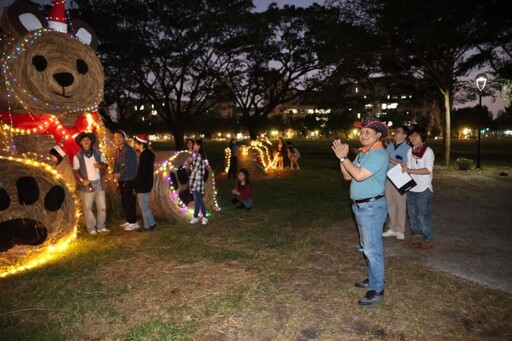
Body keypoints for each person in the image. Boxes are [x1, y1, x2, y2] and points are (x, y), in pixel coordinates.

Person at [331, 115, 389, 306]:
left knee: (373, 250)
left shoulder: (378, 154)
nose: (363, 135)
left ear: (378, 135)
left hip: (371, 207)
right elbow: (348, 176)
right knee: (367, 246)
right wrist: (343, 159)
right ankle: (372, 279)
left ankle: (377, 289)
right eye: (361, 131)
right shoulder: (364, 153)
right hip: (361, 206)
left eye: (368, 132)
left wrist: (343, 157)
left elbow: (359, 175)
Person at [402, 125, 435, 250]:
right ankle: (416, 236)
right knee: (412, 214)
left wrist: (409, 169)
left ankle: (427, 239)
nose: (412, 138)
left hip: (423, 189)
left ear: (422, 136)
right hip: (411, 188)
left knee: (423, 215)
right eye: (411, 136)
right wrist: (404, 168)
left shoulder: (428, 151)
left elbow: (428, 170)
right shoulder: (410, 151)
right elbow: (409, 168)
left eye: (415, 135)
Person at [72, 132, 109, 235]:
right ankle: (91, 228)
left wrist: (101, 165)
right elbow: (75, 171)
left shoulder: (98, 153)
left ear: (91, 141)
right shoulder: (77, 156)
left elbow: (106, 166)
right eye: (84, 140)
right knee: (88, 207)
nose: (86, 141)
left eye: (88, 139)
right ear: (80, 142)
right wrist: (82, 180)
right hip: (87, 185)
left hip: (99, 183)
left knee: (102, 206)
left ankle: (101, 226)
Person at [382, 126, 411, 240]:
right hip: (388, 179)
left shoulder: (408, 149)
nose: (395, 133)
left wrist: (391, 160)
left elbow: (407, 165)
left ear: (404, 135)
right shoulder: (389, 146)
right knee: (390, 205)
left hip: (400, 179)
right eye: (395, 131)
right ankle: (392, 228)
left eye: (398, 132)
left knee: (401, 205)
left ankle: (400, 230)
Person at [112, 129, 139, 231]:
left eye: (119, 137)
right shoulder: (118, 150)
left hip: (129, 179)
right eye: (115, 137)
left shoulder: (129, 150)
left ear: (124, 138)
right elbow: (117, 164)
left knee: (129, 200)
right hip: (122, 179)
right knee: (124, 200)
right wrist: (114, 172)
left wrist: (120, 173)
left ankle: (133, 222)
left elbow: (131, 166)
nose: (117, 139)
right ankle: (128, 220)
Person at [133, 134, 156, 232]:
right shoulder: (149, 154)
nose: (134, 145)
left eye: (135, 143)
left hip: (142, 185)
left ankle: (147, 227)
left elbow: (141, 172)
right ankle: (152, 223)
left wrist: (136, 184)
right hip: (148, 183)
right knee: (146, 205)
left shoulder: (144, 156)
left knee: (144, 207)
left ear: (140, 144)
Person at [189, 139, 209, 225]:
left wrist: (189, 166)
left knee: (199, 200)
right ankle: (195, 216)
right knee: (196, 200)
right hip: (195, 182)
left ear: (199, 146)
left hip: (196, 182)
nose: (194, 146)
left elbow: (194, 169)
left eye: (195, 145)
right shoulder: (197, 156)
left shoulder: (199, 156)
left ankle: (205, 216)